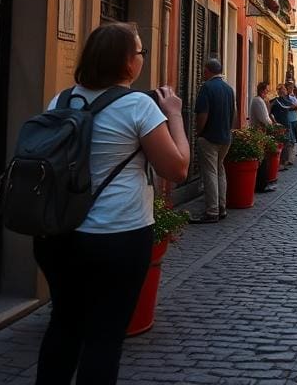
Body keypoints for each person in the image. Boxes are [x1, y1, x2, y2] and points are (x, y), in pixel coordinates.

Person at [32, 22, 190, 385]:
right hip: (117, 235)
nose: (141, 59)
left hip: (59, 234)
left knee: (64, 325)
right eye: (139, 52)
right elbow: (178, 168)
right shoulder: (137, 106)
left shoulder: (61, 100)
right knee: (104, 336)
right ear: (126, 62)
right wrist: (175, 114)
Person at [191, 58, 236, 223]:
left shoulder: (207, 87)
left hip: (209, 137)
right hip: (225, 137)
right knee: (220, 170)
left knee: (210, 172)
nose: (203, 73)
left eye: (204, 70)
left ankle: (212, 211)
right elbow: (234, 113)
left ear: (208, 71)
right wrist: (228, 129)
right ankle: (222, 207)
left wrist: (199, 132)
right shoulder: (228, 89)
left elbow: (202, 114)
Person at [250, 82, 276, 193]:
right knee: (262, 159)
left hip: (260, 132)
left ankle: (262, 183)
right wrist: (272, 125)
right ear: (262, 91)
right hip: (259, 132)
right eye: (266, 90)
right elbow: (265, 119)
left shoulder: (260, 101)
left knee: (263, 159)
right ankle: (262, 185)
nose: (267, 93)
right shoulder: (258, 101)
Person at [270, 84, 296, 167]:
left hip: (286, 123)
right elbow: (286, 106)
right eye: (284, 89)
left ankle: (288, 160)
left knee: (290, 141)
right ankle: (283, 161)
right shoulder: (277, 100)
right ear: (280, 91)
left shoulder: (284, 99)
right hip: (281, 124)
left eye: (285, 89)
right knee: (284, 142)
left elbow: (292, 103)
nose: (285, 90)